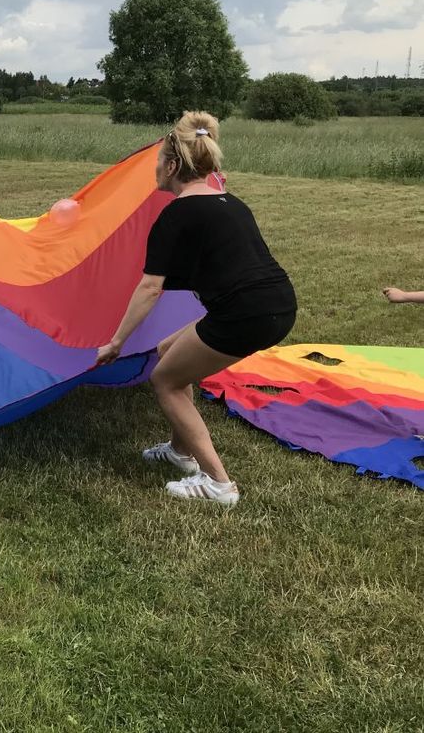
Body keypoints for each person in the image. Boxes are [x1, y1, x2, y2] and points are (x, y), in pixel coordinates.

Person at [94, 111, 297, 505]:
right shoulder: (230, 202)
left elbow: (151, 287)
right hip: (278, 304)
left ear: (172, 165)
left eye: (158, 162)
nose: (155, 168)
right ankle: (180, 451)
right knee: (169, 352)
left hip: (244, 313)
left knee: (165, 381)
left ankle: (219, 484)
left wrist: (117, 342)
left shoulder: (177, 214)